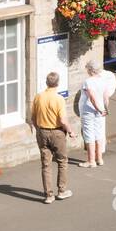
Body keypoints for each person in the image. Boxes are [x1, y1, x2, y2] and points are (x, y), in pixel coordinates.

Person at [30, 72, 75, 203]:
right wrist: (70, 131)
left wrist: (38, 129)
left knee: (46, 164)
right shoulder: (58, 99)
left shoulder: (38, 97)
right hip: (57, 133)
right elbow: (63, 119)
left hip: (42, 132)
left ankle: (49, 195)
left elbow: (33, 117)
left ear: (46, 82)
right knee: (62, 161)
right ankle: (61, 191)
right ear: (58, 83)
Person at [78, 61, 114, 167]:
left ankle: (91, 161)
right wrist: (104, 109)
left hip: (88, 111)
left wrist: (98, 109)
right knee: (99, 134)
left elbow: (92, 98)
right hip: (101, 110)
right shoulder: (104, 81)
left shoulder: (88, 82)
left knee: (89, 135)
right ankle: (99, 159)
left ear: (90, 70)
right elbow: (106, 97)